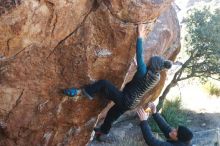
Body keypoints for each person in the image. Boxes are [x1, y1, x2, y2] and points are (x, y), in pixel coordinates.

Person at [63, 24, 172, 140]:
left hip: (126, 98)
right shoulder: (156, 76)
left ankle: (83, 92)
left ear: (152, 66)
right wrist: (137, 66)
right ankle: (103, 133)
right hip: (132, 103)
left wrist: (140, 36)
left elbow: (139, 54)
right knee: (111, 114)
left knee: (104, 83)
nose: (149, 61)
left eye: (151, 62)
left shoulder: (143, 71)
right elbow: (142, 79)